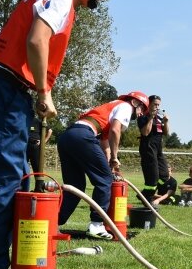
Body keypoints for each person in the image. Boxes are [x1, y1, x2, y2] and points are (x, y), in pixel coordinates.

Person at [0, 0, 118, 269]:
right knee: (6, 181)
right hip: (2, 87)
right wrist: (43, 92)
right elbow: (37, 40)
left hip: (9, 89)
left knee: (20, 180)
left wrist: (34, 93)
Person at [58, 92, 149, 238]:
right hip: (84, 135)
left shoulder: (110, 107)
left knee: (74, 187)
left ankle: (53, 222)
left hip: (68, 136)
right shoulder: (126, 106)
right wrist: (115, 157)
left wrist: (110, 163)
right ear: (135, 103)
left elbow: (104, 141)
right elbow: (115, 130)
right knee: (104, 181)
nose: (141, 114)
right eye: (142, 109)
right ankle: (96, 225)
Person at [137, 95, 170, 202]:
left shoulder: (159, 117)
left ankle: (144, 195)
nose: (157, 107)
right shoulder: (142, 117)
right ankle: (147, 198)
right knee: (153, 178)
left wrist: (166, 122)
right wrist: (151, 117)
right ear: (149, 104)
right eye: (155, 104)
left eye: (158, 105)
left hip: (158, 149)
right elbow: (145, 133)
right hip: (148, 149)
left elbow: (166, 133)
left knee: (164, 175)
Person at [26, 117, 53, 190]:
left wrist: (43, 142)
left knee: (37, 167)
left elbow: (50, 131)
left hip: (35, 146)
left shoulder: (38, 121)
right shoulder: (23, 120)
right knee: (23, 167)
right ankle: (21, 188)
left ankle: (39, 188)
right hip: (24, 146)